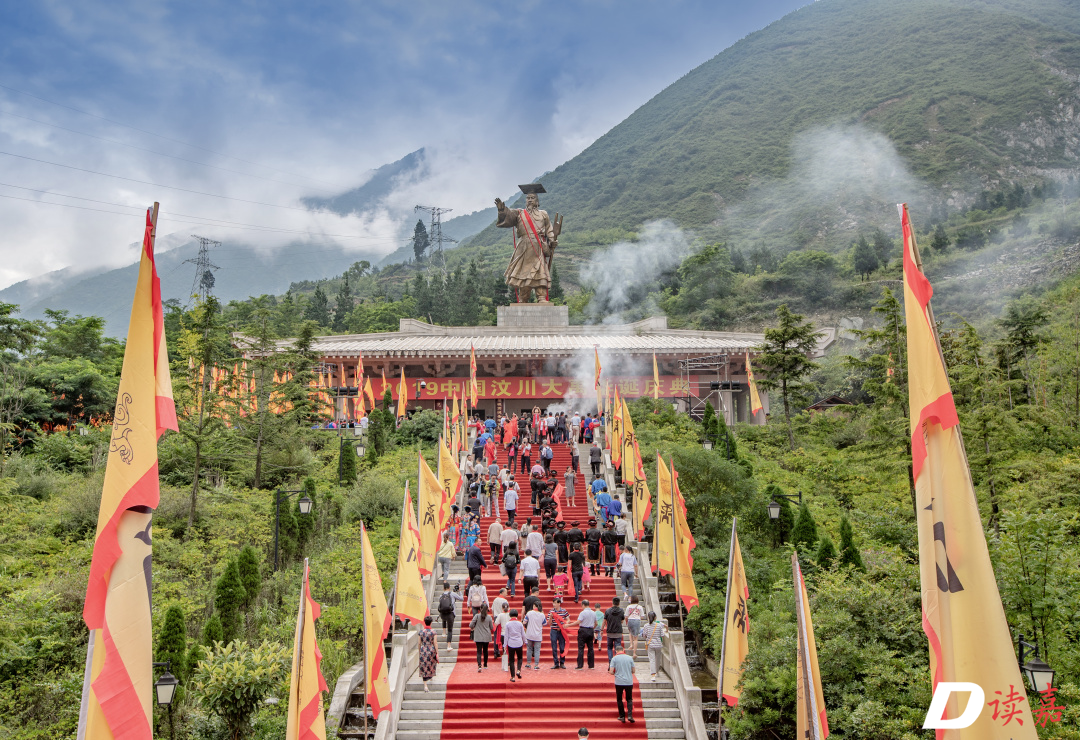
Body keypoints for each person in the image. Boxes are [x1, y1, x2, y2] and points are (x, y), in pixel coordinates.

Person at [609, 645, 636, 723]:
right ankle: (630, 715)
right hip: (629, 681)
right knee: (629, 699)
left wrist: (614, 673)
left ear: (616, 651)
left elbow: (611, 671)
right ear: (623, 650)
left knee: (619, 699)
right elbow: (633, 670)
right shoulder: (629, 658)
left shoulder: (614, 659)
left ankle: (622, 716)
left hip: (619, 682)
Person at [641, 611, 668, 681]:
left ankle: (653, 675)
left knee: (652, 659)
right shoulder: (659, 625)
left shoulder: (646, 625)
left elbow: (644, 635)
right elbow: (662, 635)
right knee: (657, 658)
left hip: (650, 644)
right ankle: (657, 671)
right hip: (658, 644)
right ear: (655, 617)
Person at [546, 596, 571, 668]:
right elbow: (549, 623)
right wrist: (550, 617)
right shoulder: (551, 611)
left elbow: (568, 619)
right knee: (554, 647)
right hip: (553, 630)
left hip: (561, 631)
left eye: (555, 603)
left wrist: (565, 623)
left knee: (562, 647)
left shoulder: (564, 611)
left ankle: (562, 662)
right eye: (553, 603)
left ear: (559, 603)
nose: (554, 604)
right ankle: (556, 663)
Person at [437, 582, 462, 650]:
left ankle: (444, 632)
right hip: (451, 613)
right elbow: (461, 598)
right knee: (450, 630)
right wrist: (460, 591)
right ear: (449, 587)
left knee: (444, 619)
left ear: (443, 588)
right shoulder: (452, 594)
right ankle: (448, 646)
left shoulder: (441, 596)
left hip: (443, 614)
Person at [503, 608, 525, 682]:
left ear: (510, 615)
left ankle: (512, 676)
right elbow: (523, 634)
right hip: (519, 642)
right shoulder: (520, 623)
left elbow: (506, 635)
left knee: (511, 660)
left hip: (511, 643)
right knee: (520, 658)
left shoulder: (508, 624)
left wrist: (504, 645)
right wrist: (525, 641)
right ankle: (518, 670)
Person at [470, 603, 494, 672]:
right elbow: (491, 627)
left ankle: (479, 665)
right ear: (487, 610)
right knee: (485, 650)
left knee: (479, 651)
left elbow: (471, 624)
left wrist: (473, 628)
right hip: (486, 636)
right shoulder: (489, 617)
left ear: (480, 609)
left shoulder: (477, 616)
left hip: (478, 636)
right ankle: (485, 664)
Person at [573, 598, 596, 669]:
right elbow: (596, 623)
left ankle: (580, 665)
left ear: (583, 605)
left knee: (581, 648)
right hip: (590, 630)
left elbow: (578, 622)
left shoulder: (582, 613)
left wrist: (569, 625)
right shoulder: (593, 612)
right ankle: (591, 665)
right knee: (590, 648)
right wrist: (592, 628)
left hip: (583, 630)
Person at [418, 615, 439, 692]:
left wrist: (419, 650)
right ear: (431, 623)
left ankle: (425, 685)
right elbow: (435, 643)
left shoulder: (421, 632)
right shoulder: (434, 632)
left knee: (423, 666)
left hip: (423, 649)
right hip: (431, 649)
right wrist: (437, 652)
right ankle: (431, 676)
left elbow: (419, 643)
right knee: (431, 664)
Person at [523, 602, 545, 671]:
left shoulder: (529, 613)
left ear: (534, 606)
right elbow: (545, 623)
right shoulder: (542, 615)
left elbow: (524, 622)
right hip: (538, 635)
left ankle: (528, 663)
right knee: (537, 650)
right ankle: (536, 665)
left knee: (529, 649)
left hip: (529, 634)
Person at [603, 597, 625, 663]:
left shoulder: (607, 611)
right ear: (619, 603)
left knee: (609, 648)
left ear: (612, 602)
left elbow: (604, 621)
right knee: (617, 648)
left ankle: (611, 662)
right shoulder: (621, 611)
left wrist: (601, 630)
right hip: (618, 632)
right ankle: (617, 663)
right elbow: (622, 621)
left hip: (610, 632)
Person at [494, 600, 511, 668]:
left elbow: (495, 623)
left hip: (503, 633)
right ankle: (510, 660)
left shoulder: (500, 615)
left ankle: (505, 661)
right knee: (510, 648)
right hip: (510, 633)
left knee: (504, 648)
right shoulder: (510, 614)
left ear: (502, 608)